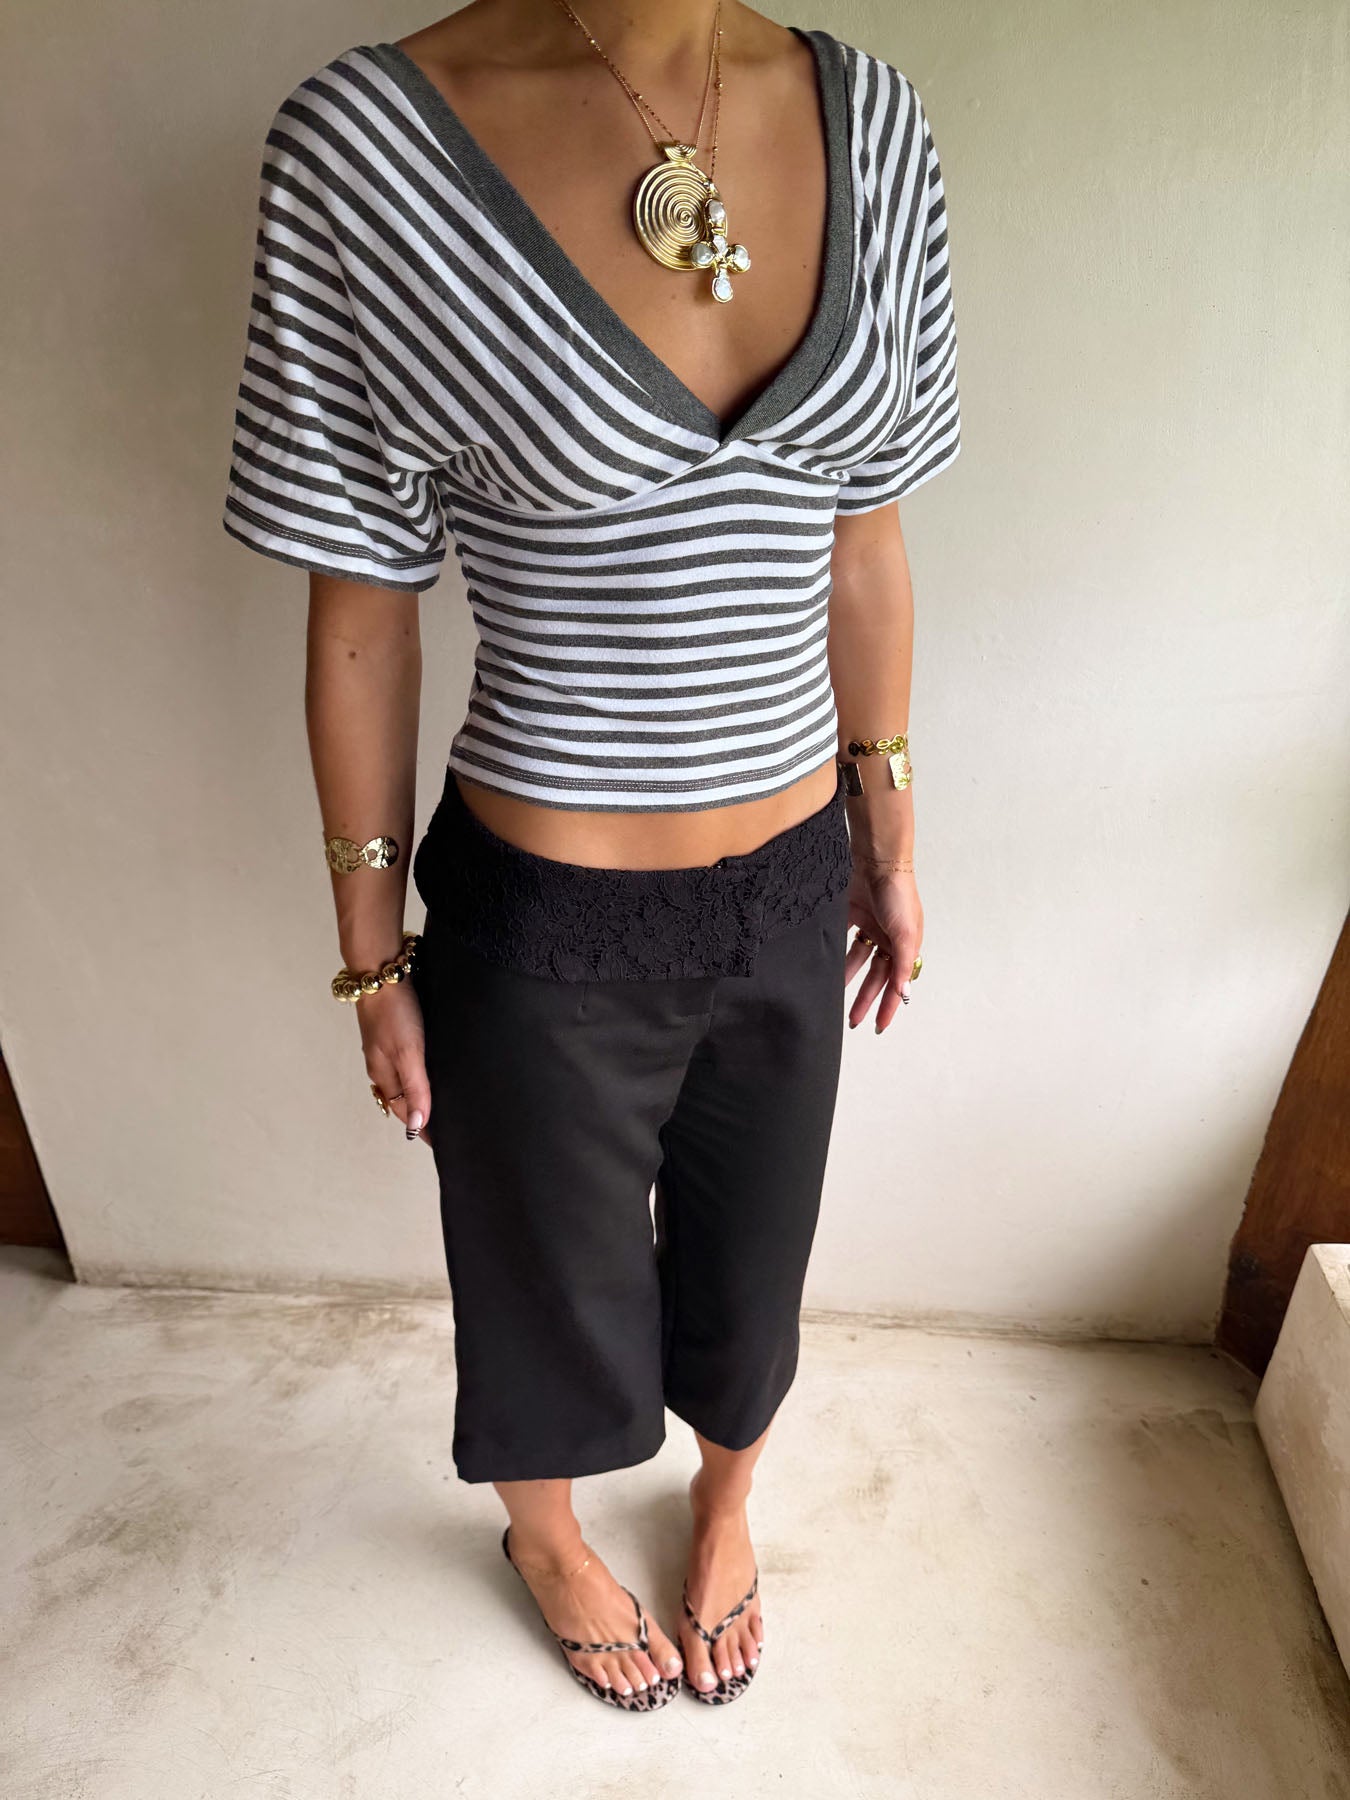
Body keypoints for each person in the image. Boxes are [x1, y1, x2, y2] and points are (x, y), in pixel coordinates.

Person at [221, 0, 960, 1712]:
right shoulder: (365, 150)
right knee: (540, 1269)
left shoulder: (874, 121)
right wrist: (368, 952)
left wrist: (889, 829)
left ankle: (727, 1500)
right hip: (546, 911)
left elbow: (864, 536)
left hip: (791, 875)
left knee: (754, 1249)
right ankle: (546, 1535)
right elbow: (361, 609)